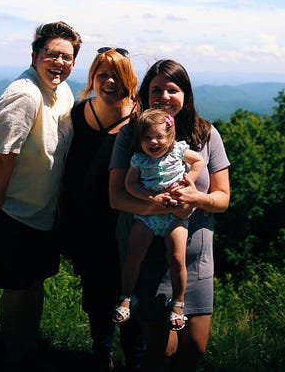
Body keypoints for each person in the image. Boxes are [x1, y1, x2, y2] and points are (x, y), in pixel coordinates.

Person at [109, 59, 231, 372]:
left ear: (185, 95)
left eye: (172, 89)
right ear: (145, 94)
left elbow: (222, 199)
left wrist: (196, 198)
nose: (164, 96)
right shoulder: (132, 135)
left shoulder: (206, 135)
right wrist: (162, 206)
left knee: (195, 349)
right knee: (162, 353)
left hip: (197, 260)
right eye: (156, 90)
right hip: (150, 256)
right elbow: (117, 196)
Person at [0, 20, 82, 368]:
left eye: (67, 57)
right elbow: (1, 159)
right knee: (17, 288)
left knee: (35, 282)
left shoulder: (62, 92)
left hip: (43, 212)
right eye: (52, 54)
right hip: (13, 211)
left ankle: (28, 348)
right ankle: (14, 354)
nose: (60, 62)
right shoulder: (24, 95)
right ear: (35, 55)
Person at [59, 46, 146, 371]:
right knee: (97, 298)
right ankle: (102, 355)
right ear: (93, 77)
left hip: (128, 224)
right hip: (86, 225)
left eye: (117, 75)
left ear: (130, 80)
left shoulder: (140, 120)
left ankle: (136, 360)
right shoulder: (77, 115)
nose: (109, 81)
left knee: (132, 295)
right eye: (103, 74)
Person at [114, 108, 206, 333]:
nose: (153, 142)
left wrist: (187, 182)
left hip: (175, 216)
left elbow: (199, 161)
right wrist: (151, 198)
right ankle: (126, 298)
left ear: (170, 136)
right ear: (140, 140)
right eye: (147, 137)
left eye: (159, 136)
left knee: (176, 259)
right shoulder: (139, 159)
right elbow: (129, 184)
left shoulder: (178, 151)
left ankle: (178, 303)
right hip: (147, 216)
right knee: (133, 255)